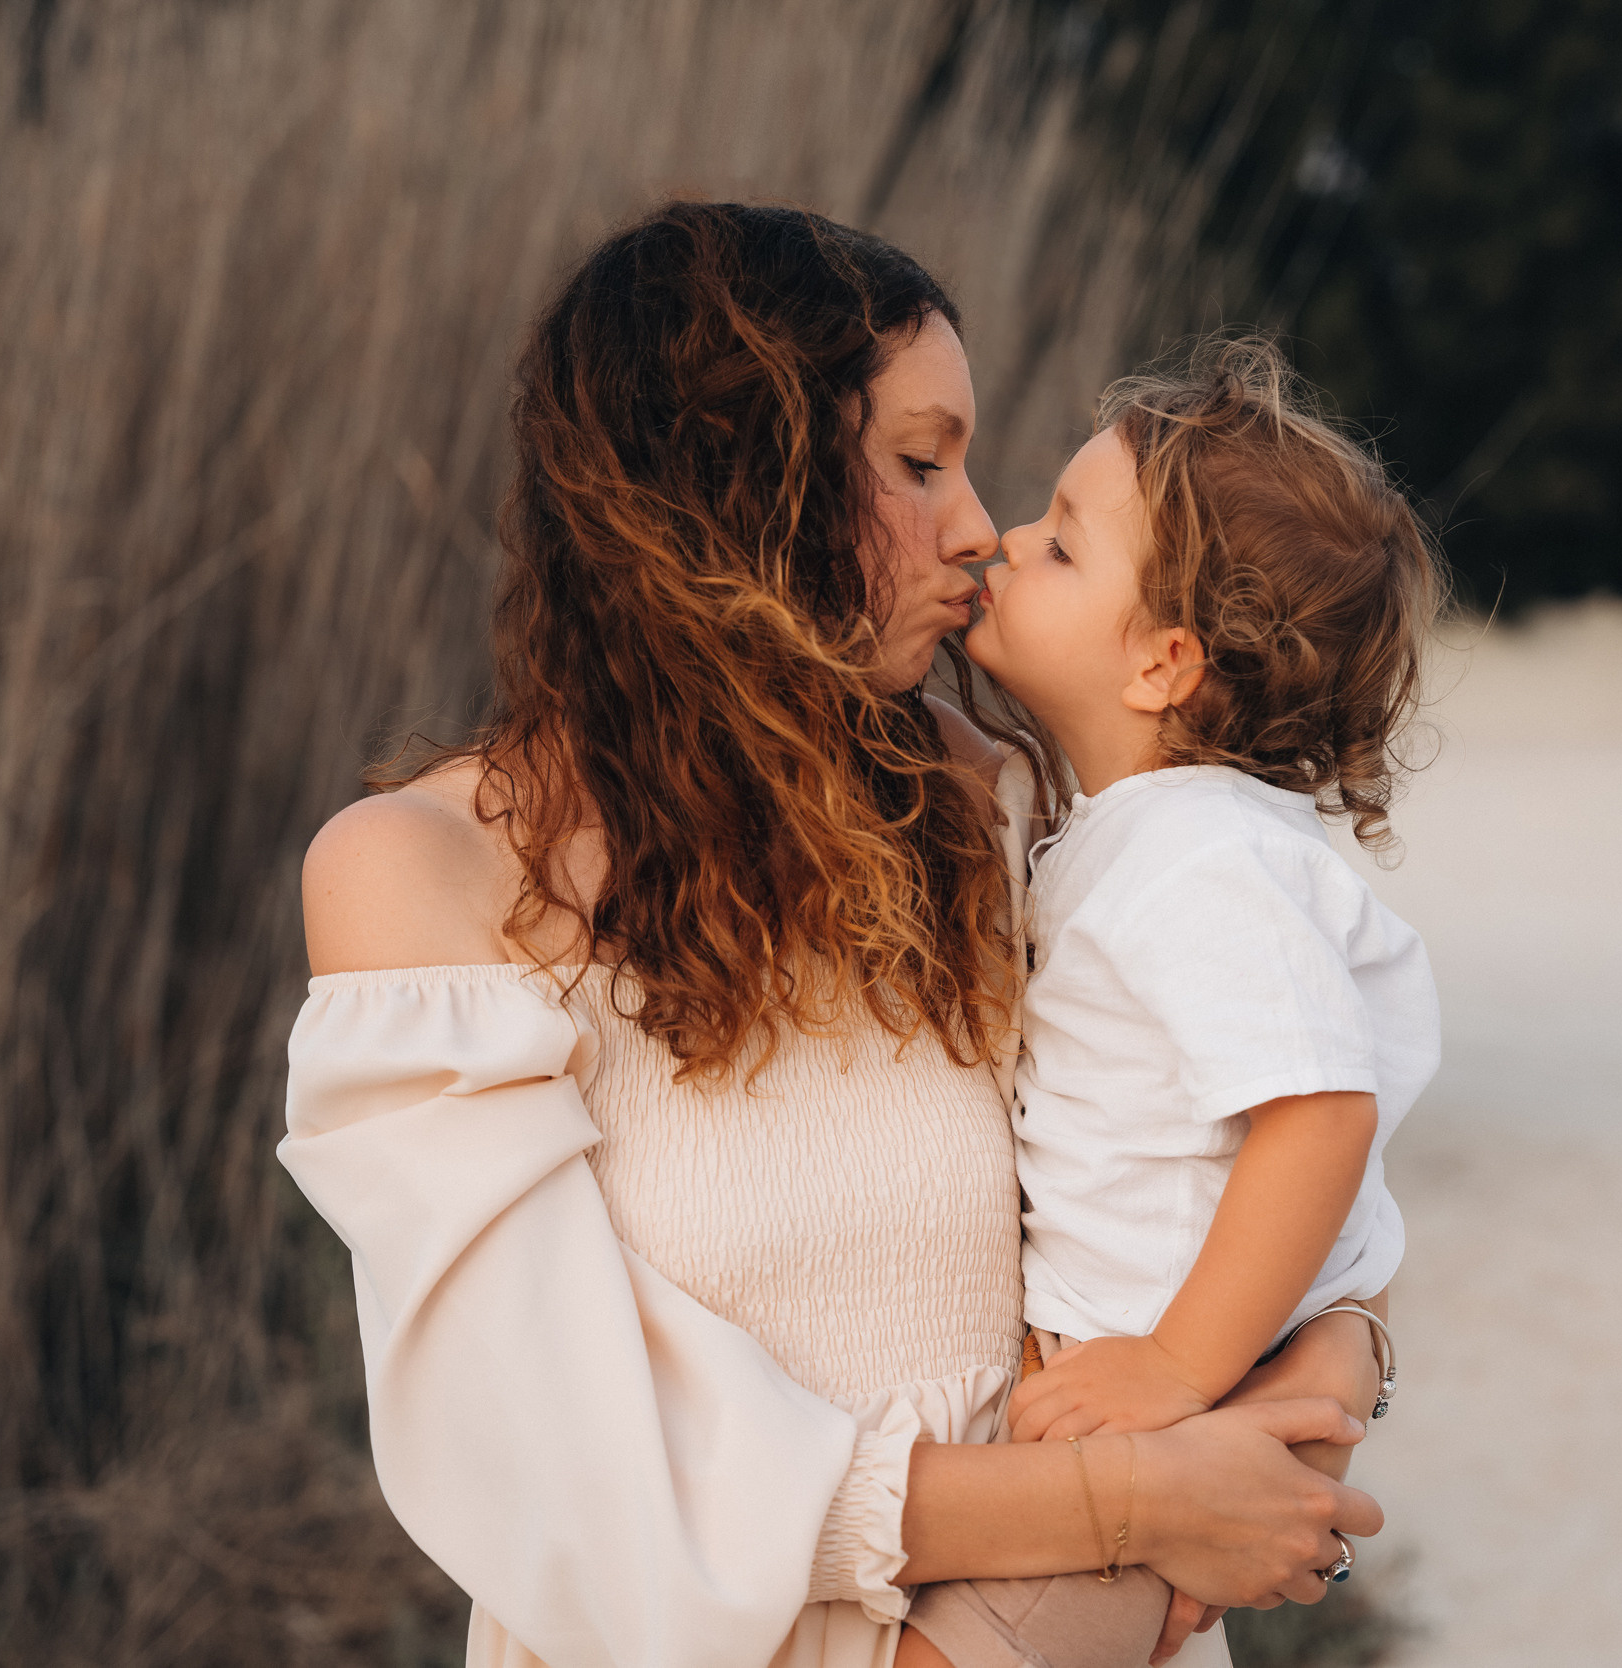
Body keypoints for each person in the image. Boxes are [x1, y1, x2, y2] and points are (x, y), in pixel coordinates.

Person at [277, 202, 1386, 1668]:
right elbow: (567, 1480)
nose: (980, 528)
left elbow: (1237, 1148)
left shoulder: (979, 803)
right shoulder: (424, 880)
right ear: (740, 482)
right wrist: (1129, 1500)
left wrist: (1339, 1361)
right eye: (920, 462)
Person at [901, 339, 1438, 1668]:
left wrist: (1178, 1372)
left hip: (1158, 1434)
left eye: (1064, 546)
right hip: (1143, 1425)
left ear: (1165, 664)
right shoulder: (1145, 837)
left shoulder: (1203, 861)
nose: (1006, 540)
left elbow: (1320, 1117)